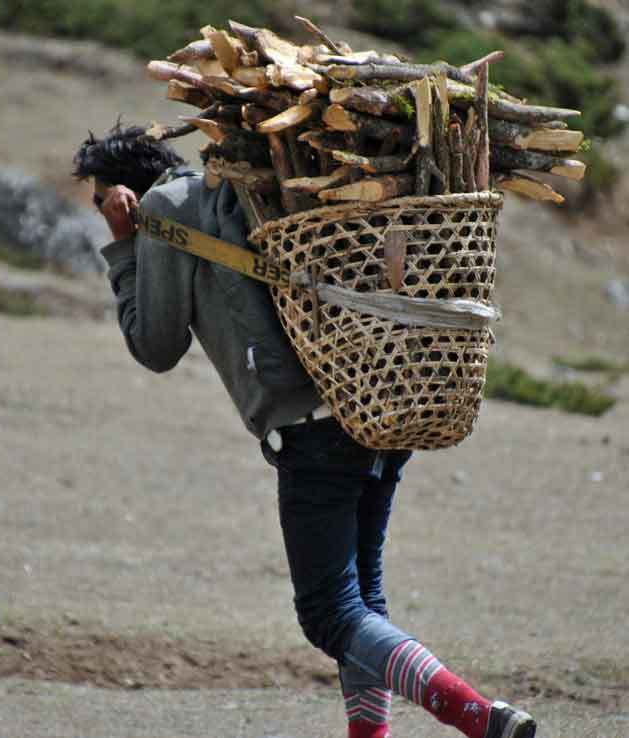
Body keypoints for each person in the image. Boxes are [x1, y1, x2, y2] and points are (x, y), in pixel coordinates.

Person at [74, 122, 537, 738]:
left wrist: (125, 244)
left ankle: (481, 719)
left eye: (98, 196)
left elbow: (153, 344)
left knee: (328, 612)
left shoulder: (166, 207)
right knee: (362, 601)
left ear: (118, 190)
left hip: (311, 430)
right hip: (371, 401)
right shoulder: (239, 189)